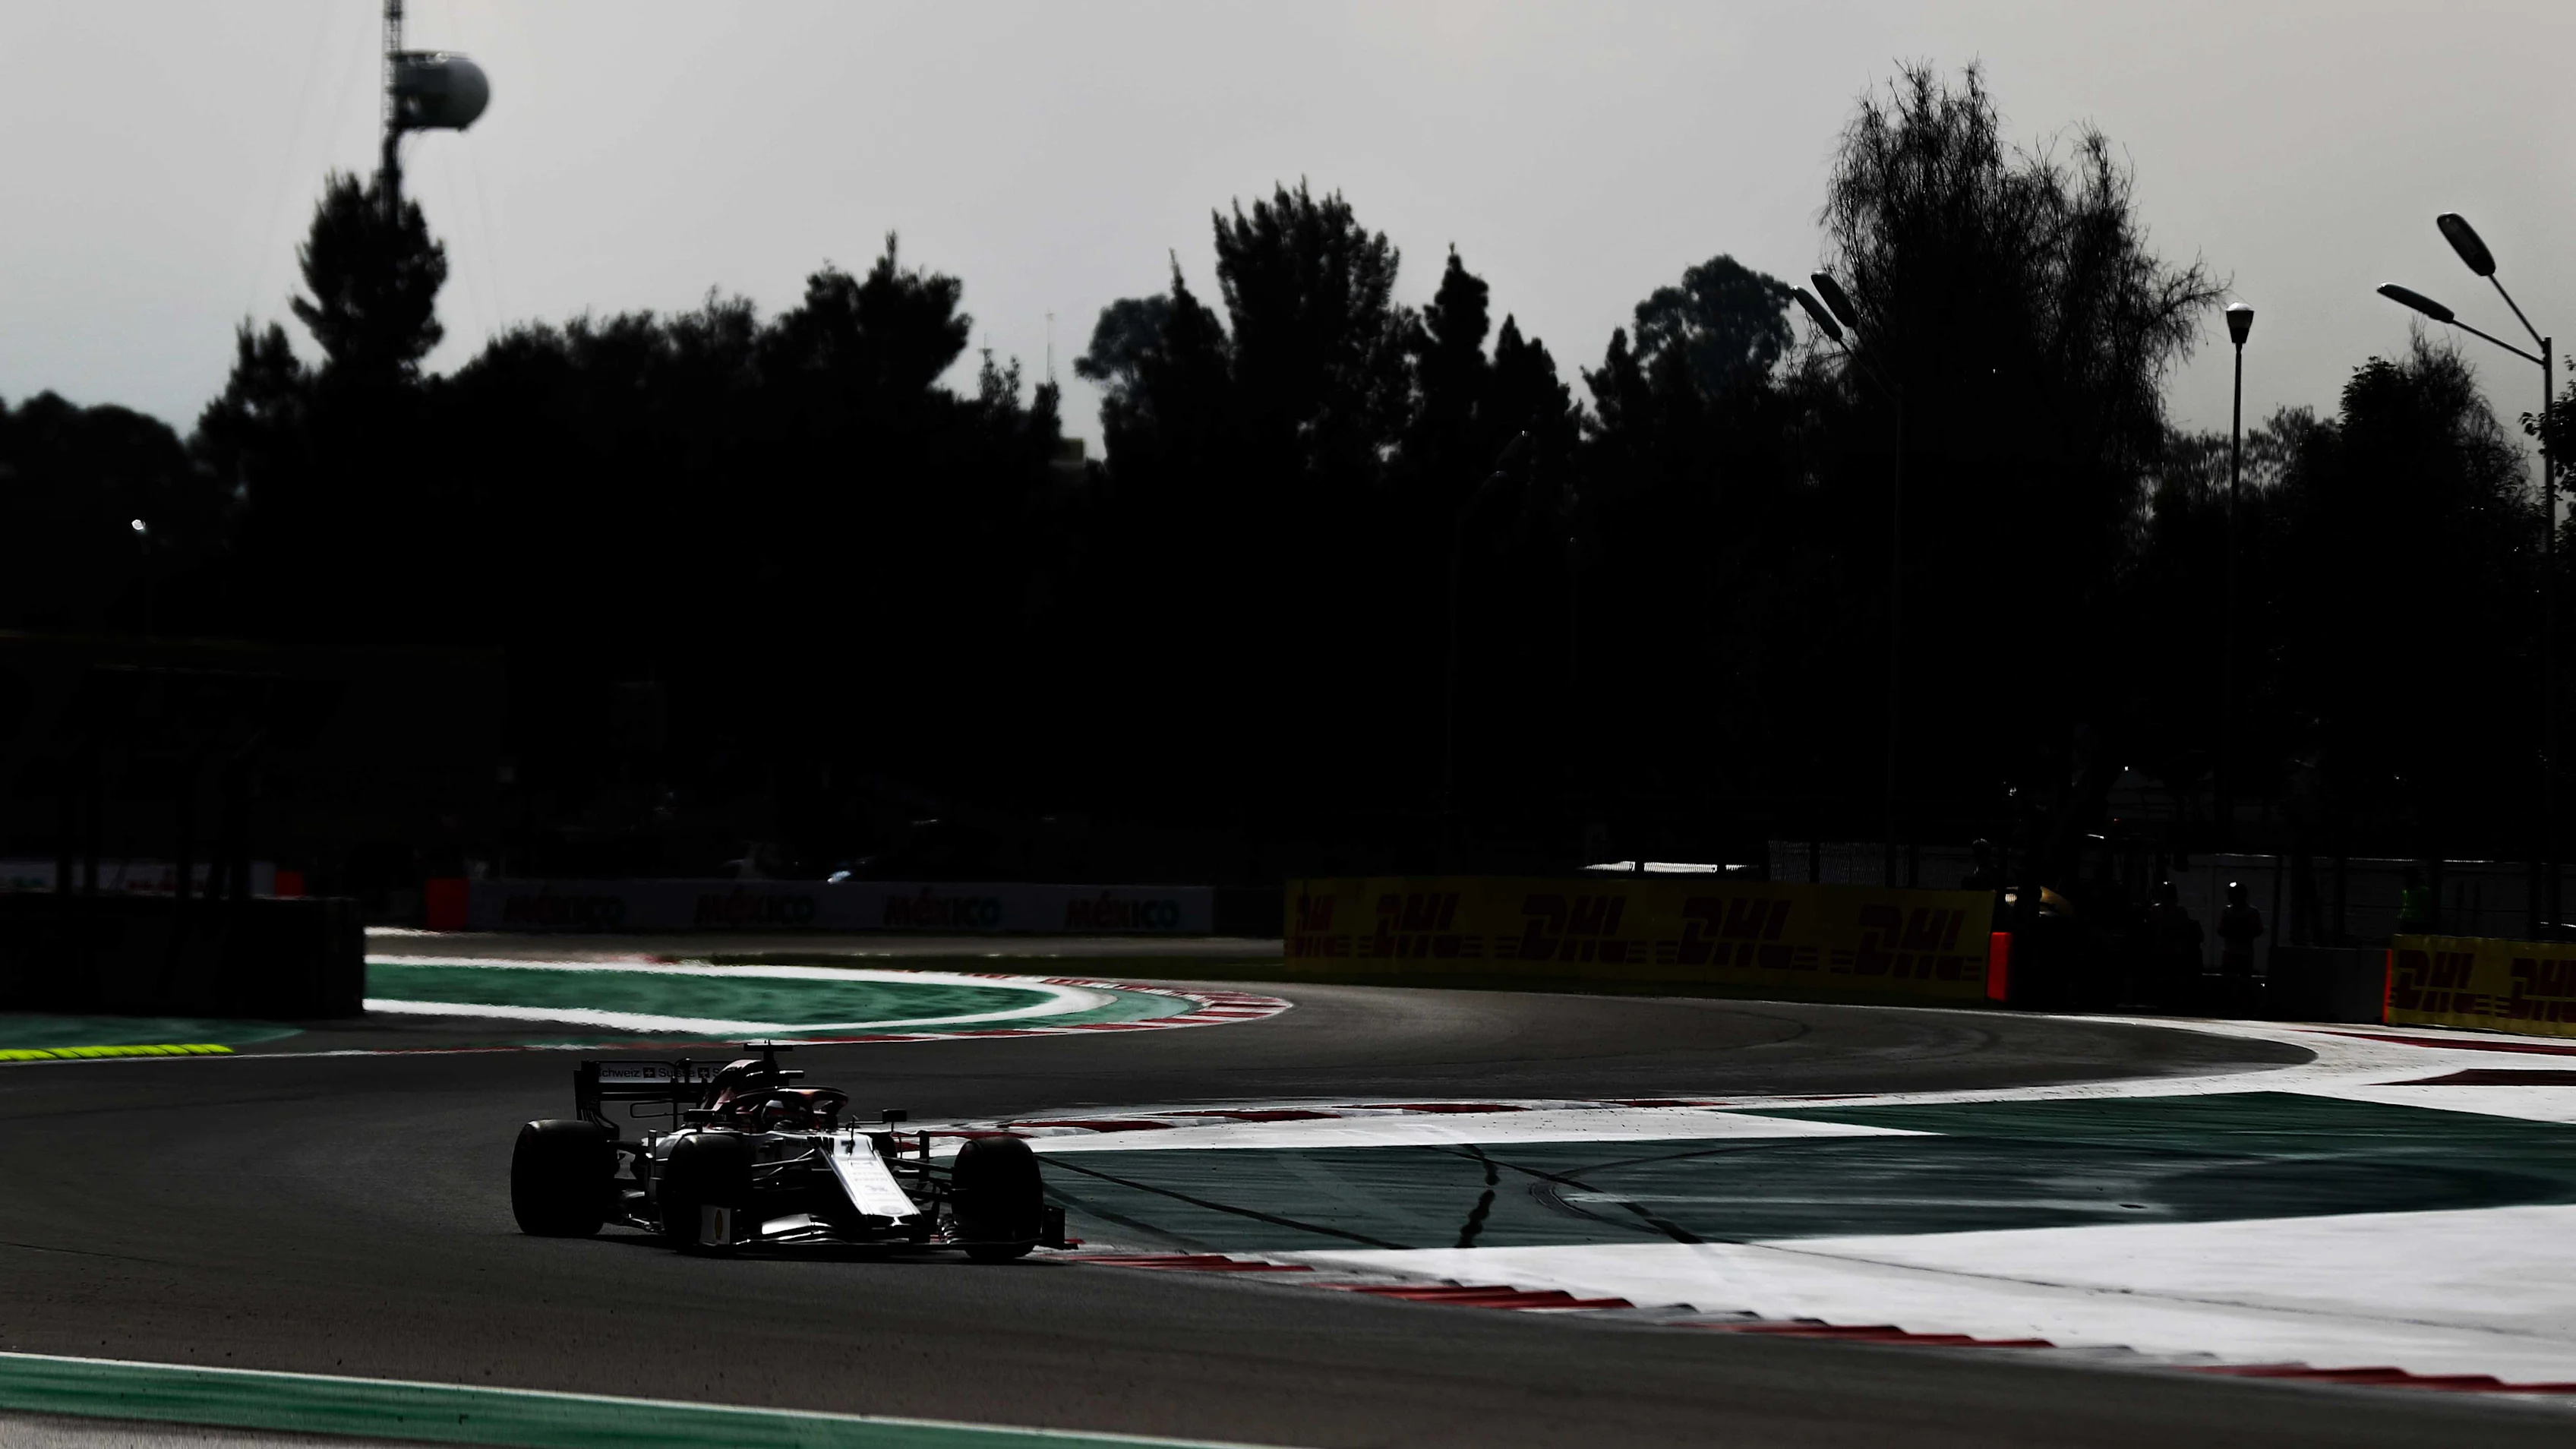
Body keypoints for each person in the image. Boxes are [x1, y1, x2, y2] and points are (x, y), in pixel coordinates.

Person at [2142, 881, 2203, 1005]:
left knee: (2171, 977)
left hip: (2172, 949)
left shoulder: (2176, 911)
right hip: (2165, 949)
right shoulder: (2158, 910)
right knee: (2164, 976)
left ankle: (2168, 1000)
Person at [2218, 880, 2265, 977]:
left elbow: (2258, 930)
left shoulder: (2250, 912)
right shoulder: (2229, 911)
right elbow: (2220, 930)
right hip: (2235, 952)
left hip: (2240, 953)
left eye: (2232, 894)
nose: (2230, 897)